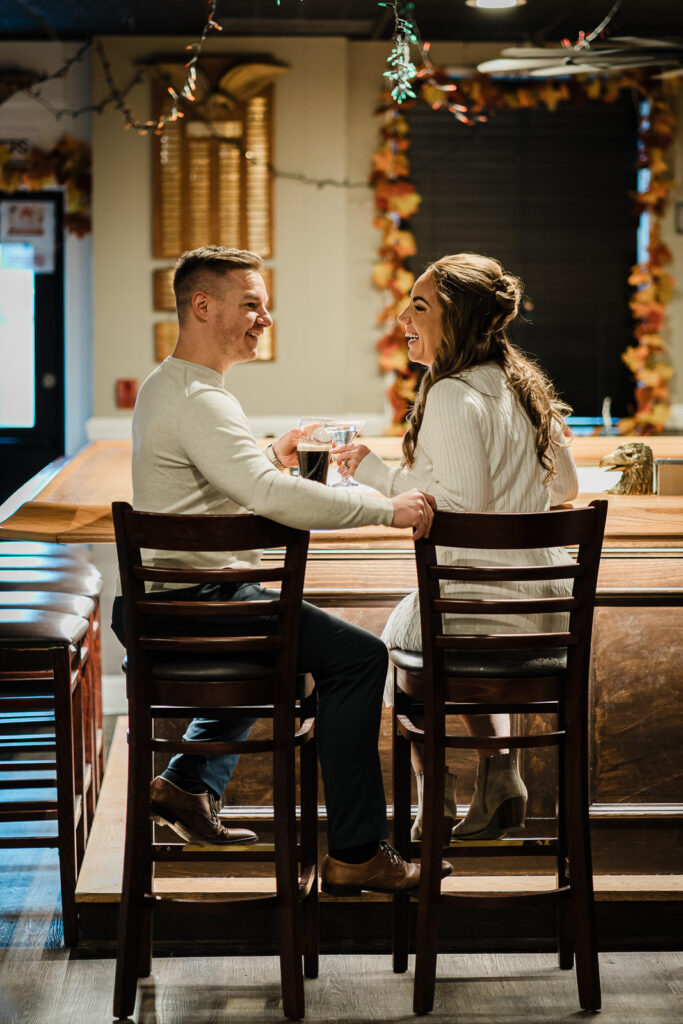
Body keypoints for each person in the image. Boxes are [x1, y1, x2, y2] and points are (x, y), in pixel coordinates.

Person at [110, 245, 447, 897]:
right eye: (252, 305)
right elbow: (272, 496)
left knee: (282, 634)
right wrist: (386, 509)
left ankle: (185, 785)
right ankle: (355, 853)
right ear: (203, 307)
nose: (266, 317)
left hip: (172, 604)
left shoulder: (174, 387)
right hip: (199, 607)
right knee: (355, 658)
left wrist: (269, 452)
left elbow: (233, 481)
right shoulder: (199, 399)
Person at [333, 252, 579, 842]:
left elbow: (459, 506)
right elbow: (568, 486)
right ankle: (498, 775)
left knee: (393, 643)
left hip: (479, 610)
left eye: (419, 306)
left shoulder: (449, 394)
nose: (402, 317)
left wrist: (377, 474)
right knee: (432, 622)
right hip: (547, 611)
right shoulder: (524, 386)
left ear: (460, 318)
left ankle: (433, 797)